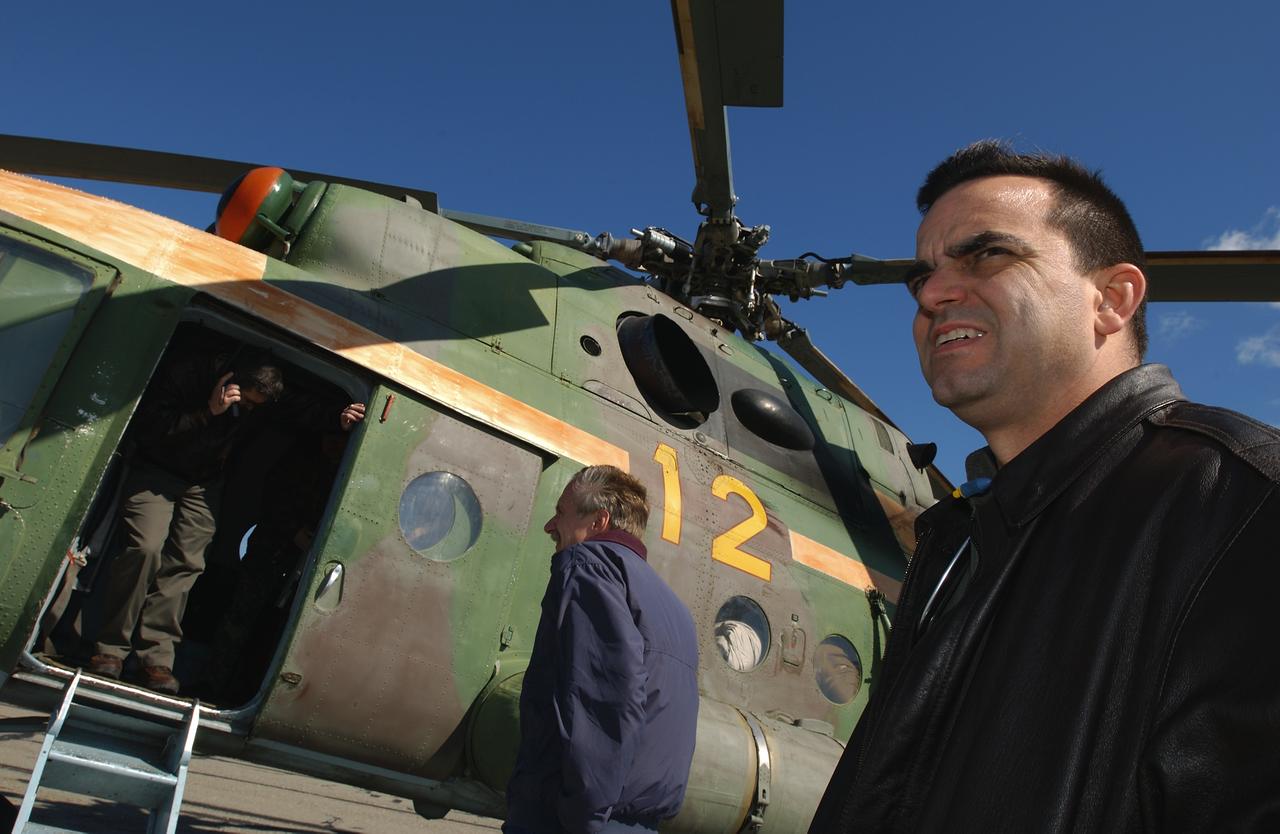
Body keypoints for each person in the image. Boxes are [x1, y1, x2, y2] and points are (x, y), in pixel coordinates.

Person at [809, 141, 1280, 832]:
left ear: (1112, 300)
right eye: (923, 277)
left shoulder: (1239, 503)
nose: (933, 294)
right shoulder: (958, 544)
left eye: (988, 255)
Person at [87, 347, 364, 694]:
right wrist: (208, 412)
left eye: (255, 407)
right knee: (144, 550)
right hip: (157, 471)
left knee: (187, 564)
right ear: (229, 382)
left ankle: (156, 659)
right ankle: (110, 650)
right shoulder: (188, 372)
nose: (248, 411)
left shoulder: (262, 398)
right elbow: (150, 428)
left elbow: (298, 408)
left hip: (204, 482)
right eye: (245, 403)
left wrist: (337, 418)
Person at [505, 466, 699, 834]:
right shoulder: (672, 607)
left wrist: (581, 817)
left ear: (598, 521)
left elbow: (601, 700)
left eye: (561, 512)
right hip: (636, 823)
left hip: (571, 823)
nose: (550, 525)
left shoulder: (586, 567)